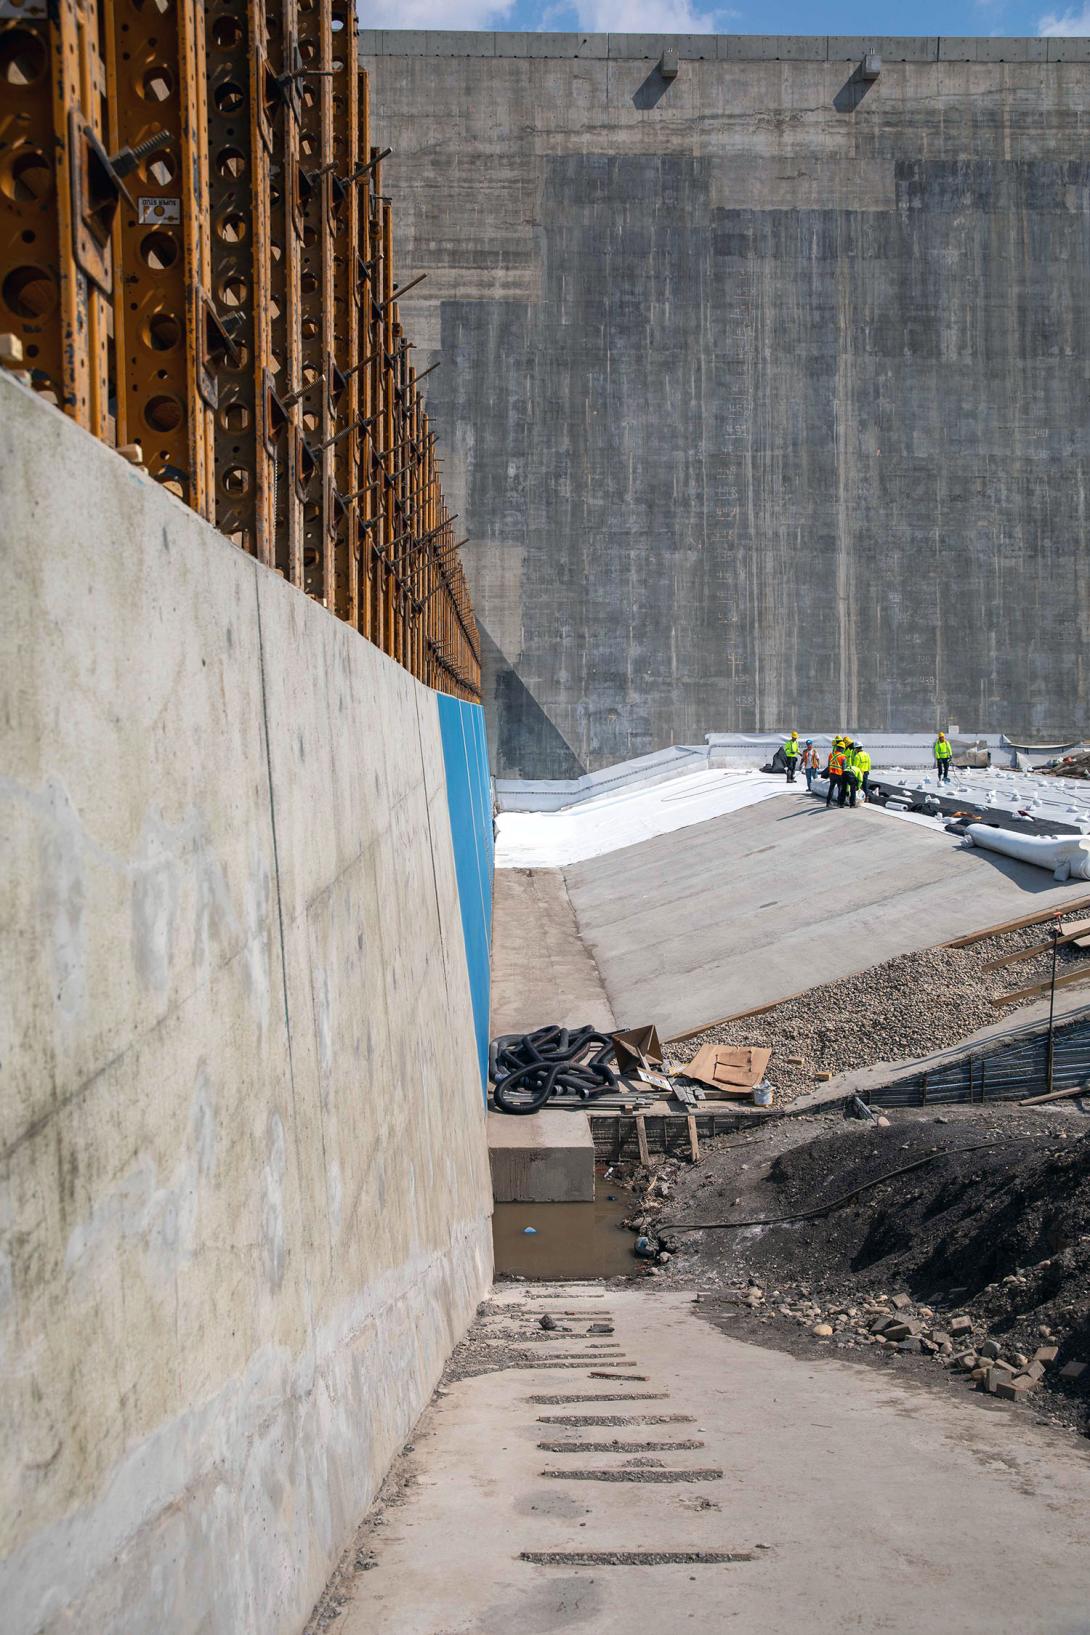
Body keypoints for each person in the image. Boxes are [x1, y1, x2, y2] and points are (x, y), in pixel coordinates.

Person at [825, 742, 845, 807]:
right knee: (840, 789)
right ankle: (839, 803)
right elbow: (843, 768)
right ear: (842, 749)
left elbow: (828, 765)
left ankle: (828, 802)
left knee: (831, 788)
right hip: (839, 774)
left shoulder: (831, 754)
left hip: (831, 774)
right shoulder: (843, 756)